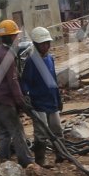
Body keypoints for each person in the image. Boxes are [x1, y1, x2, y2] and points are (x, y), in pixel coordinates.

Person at [0, 19, 33, 167]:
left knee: (3, 131)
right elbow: (13, 81)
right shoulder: (7, 55)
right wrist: (21, 102)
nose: (17, 39)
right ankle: (26, 161)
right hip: (1, 99)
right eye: (15, 36)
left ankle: (4, 161)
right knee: (17, 130)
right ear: (10, 37)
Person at [21, 26, 63, 167]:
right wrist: (27, 96)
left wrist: (58, 99)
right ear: (36, 45)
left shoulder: (50, 59)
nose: (46, 46)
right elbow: (25, 82)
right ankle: (40, 160)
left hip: (51, 101)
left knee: (57, 128)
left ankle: (61, 155)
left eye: (47, 43)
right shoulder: (32, 62)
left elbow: (53, 80)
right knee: (41, 132)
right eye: (43, 44)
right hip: (38, 102)